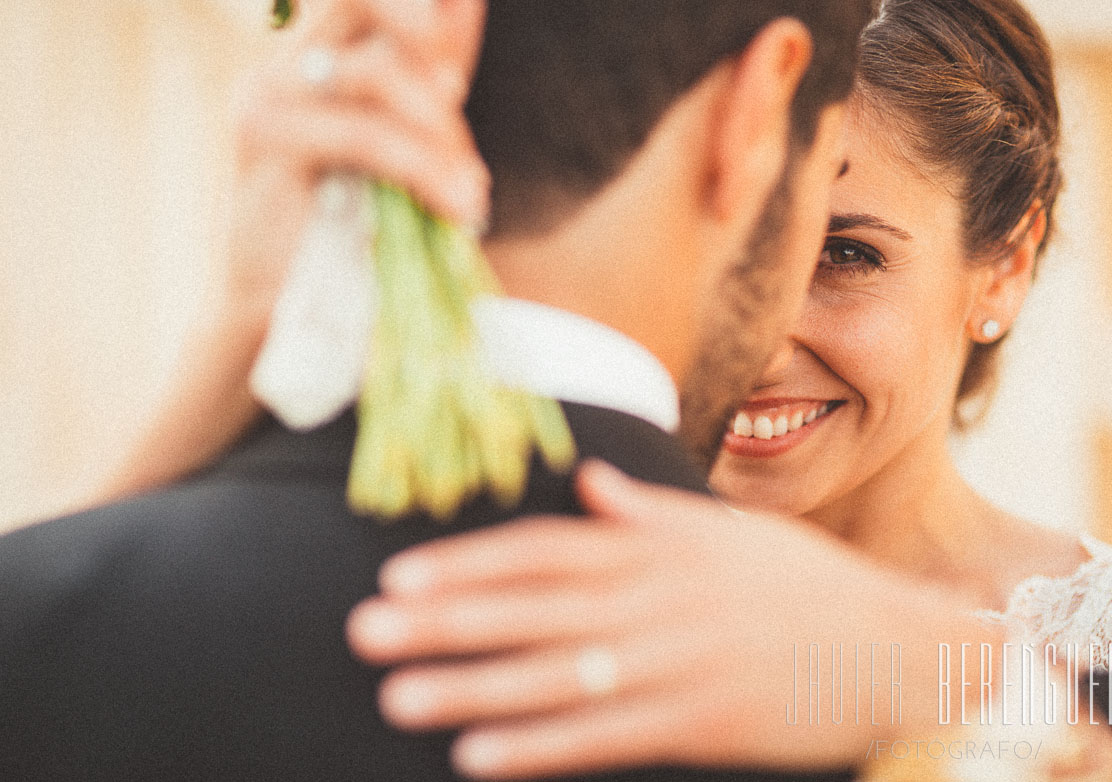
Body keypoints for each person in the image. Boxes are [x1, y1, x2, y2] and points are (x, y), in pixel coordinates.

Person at [0, 1, 890, 781]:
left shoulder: (47, 621)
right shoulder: (892, 715)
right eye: (831, 172)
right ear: (754, 114)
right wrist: (961, 671)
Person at [343, 0, 1112, 778]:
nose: (761, 344)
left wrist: (918, 672)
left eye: (844, 256)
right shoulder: (506, 579)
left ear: (1004, 267)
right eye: (734, 239)